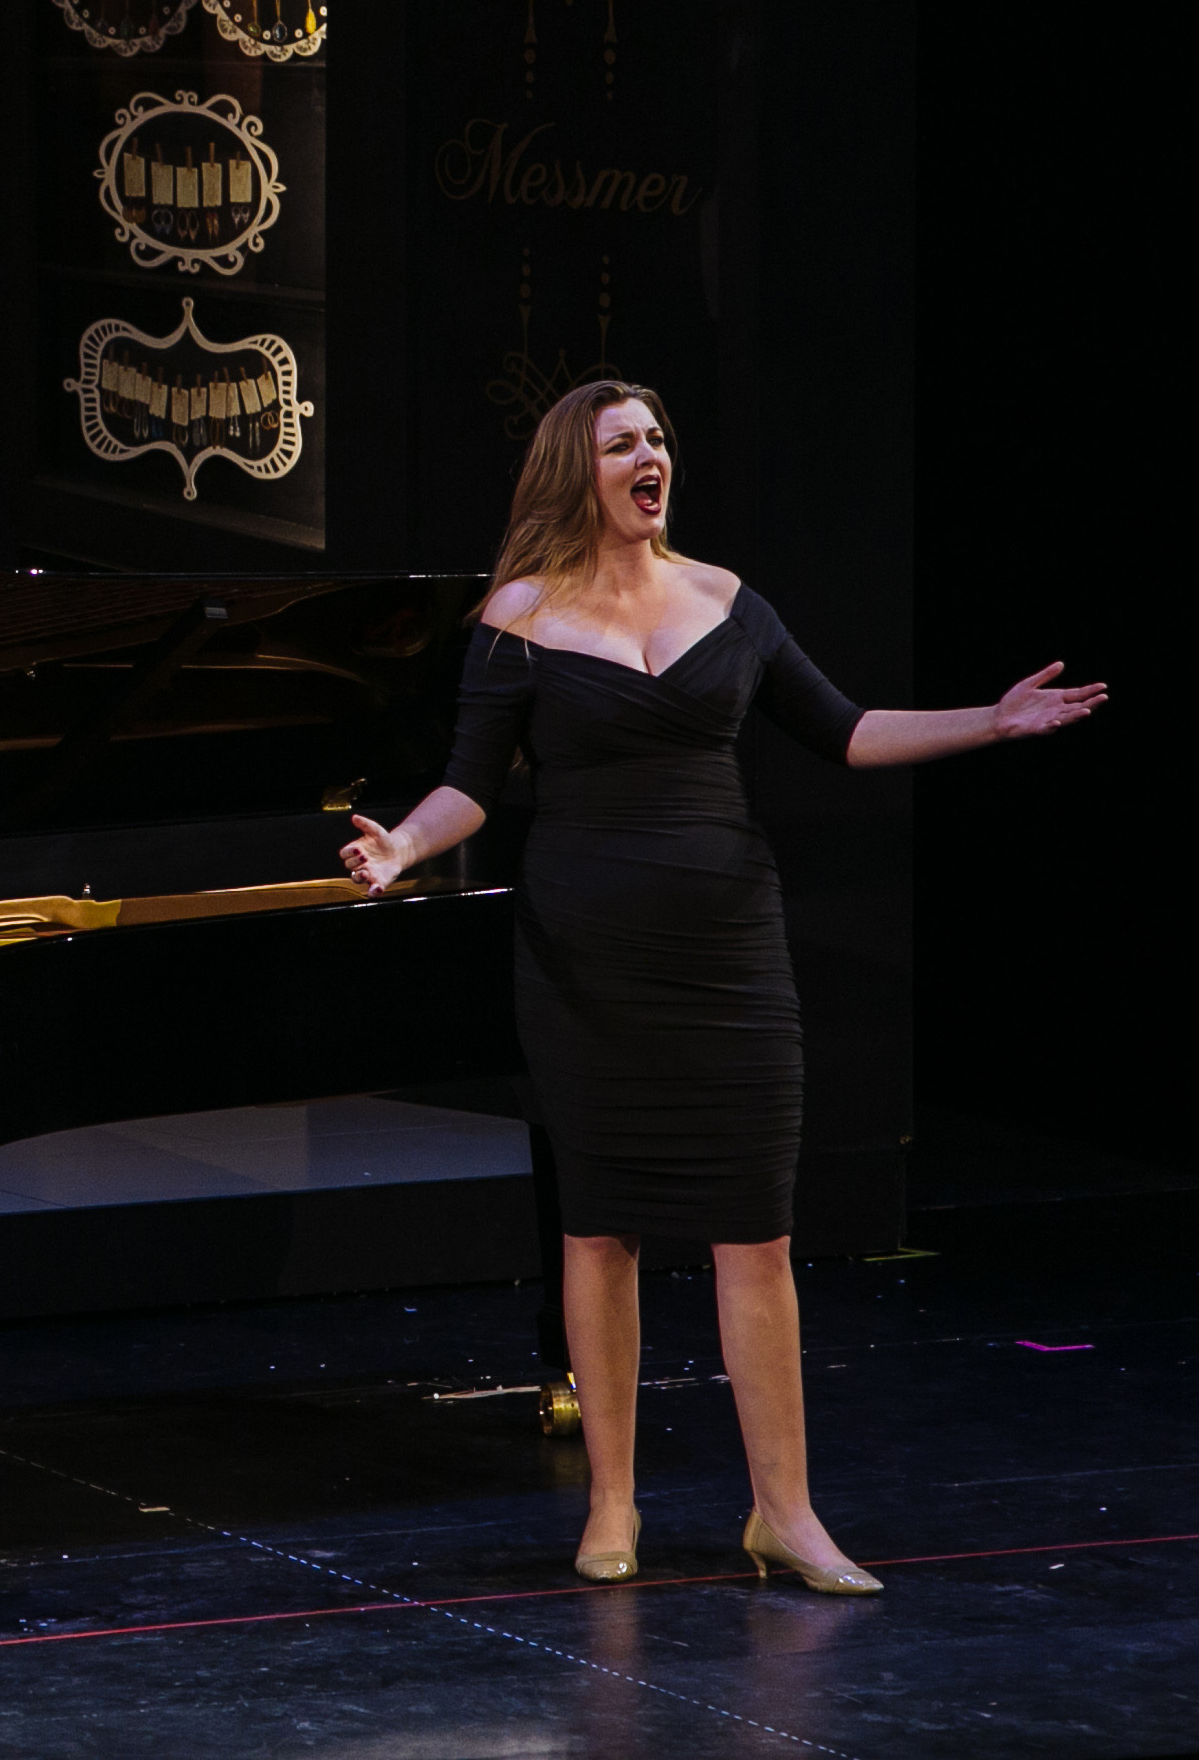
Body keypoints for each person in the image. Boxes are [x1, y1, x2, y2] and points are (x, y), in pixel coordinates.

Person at [339, 381, 1103, 1595]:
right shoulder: (519, 617)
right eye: (621, 443)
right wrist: (400, 847)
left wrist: (990, 724)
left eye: (656, 439)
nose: (650, 457)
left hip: (727, 955)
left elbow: (845, 731)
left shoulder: (727, 604)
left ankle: (784, 1514)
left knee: (756, 1226)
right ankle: (609, 1504)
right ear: (573, 473)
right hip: (585, 960)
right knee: (597, 1225)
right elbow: (470, 783)